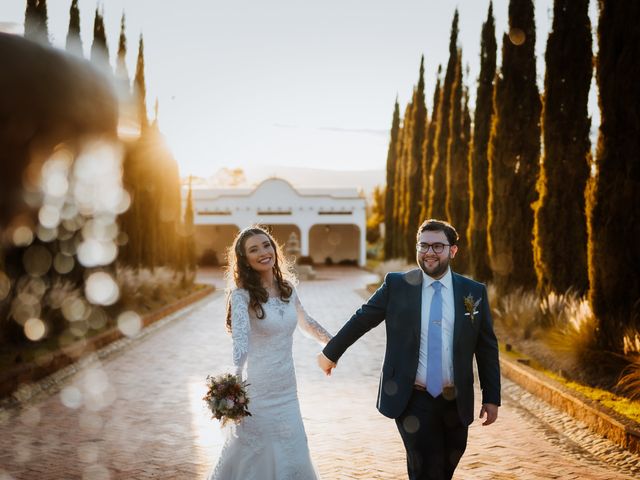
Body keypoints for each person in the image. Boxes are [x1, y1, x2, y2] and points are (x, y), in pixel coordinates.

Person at [318, 219, 500, 480]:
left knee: (449, 461)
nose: (429, 252)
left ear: (453, 250)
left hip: (456, 400)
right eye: (423, 245)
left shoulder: (473, 291)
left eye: (438, 246)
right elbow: (362, 319)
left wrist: (491, 397)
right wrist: (331, 353)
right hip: (413, 398)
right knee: (425, 466)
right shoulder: (397, 285)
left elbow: (486, 347)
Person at [210, 226, 332, 480]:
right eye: (254, 249)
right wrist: (235, 382)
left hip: (288, 389)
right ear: (244, 259)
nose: (263, 252)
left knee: (294, 450)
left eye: (266, 245)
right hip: (258, 391)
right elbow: (240, 342)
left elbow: (306, 322)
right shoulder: (242, 295)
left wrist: (333, 343)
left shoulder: (287, 288)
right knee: (255, 455)